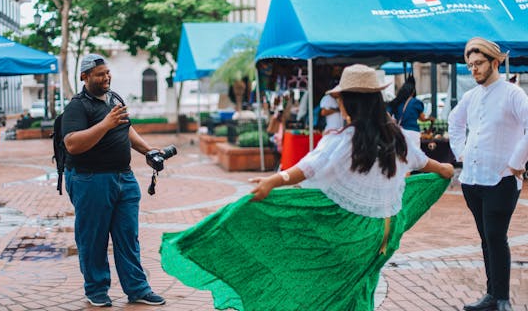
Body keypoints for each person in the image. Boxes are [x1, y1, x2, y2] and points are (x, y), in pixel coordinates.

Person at [160, 64, 454, 311]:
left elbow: (306, 169)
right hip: (383, 236)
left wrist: (273, 181)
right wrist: (446, 170)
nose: (338, 104)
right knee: (359, 287)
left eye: (340, 99)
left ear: (349, 102)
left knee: (318, 285)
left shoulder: (342, 140)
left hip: (350, 235)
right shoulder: (398, 137)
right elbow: (427, 164)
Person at [61, 54, 165, 307]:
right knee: (93, 238)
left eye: (107, 72)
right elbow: (72, 144)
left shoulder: (114, 99)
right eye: (99, 74)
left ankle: (137, 289)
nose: (106, 77)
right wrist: (105, 124)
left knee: (128, 237)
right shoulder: (77, 106)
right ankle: (96, 290)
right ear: (84, 77)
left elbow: (126, 128)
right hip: (91, 180)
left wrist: (149, 151)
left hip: (124, 178)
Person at [448, 37, 528, 311]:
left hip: (501, 179)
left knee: (495, 236)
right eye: (470, 65)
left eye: (479, 64)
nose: (474, 70)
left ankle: (502, 299)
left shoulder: (513, 94)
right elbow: (454, 123)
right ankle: (492, 295)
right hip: (472, 179)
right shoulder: (470, 97)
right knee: (486, 238)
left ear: (495, 62)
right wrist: (461, 152)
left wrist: (518, 162)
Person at [388, 75, 433, 143]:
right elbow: (422, 118)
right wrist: (430, 119)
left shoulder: (395, 102)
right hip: (413, 133)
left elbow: (387, 115)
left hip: (399, 133)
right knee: (413, 153)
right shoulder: (416, 103)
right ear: (412, 91)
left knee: (402, 153)